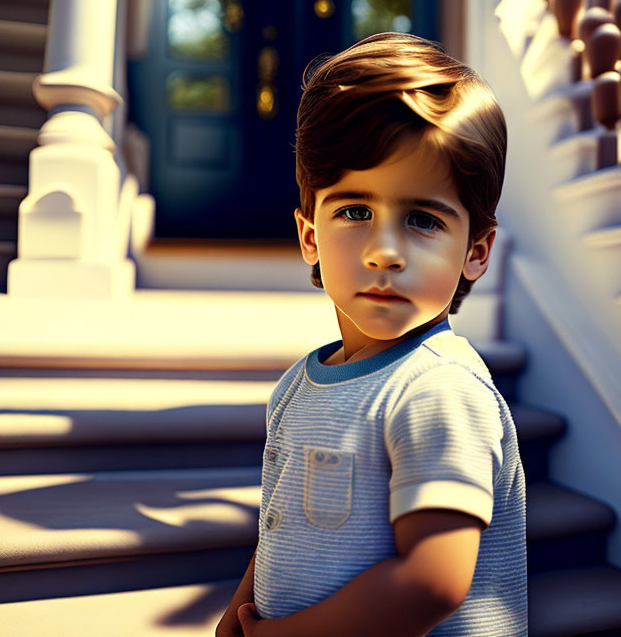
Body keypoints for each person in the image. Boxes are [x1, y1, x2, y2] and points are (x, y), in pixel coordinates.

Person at [215, 32, 527, 637]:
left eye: (422, 219)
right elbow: (283, 524)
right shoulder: (300, 385)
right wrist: (239, 612)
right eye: (355, 211)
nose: (385, 252)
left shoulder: (437, 391)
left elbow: (433, 578)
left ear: (476, 250)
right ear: (310, 235)